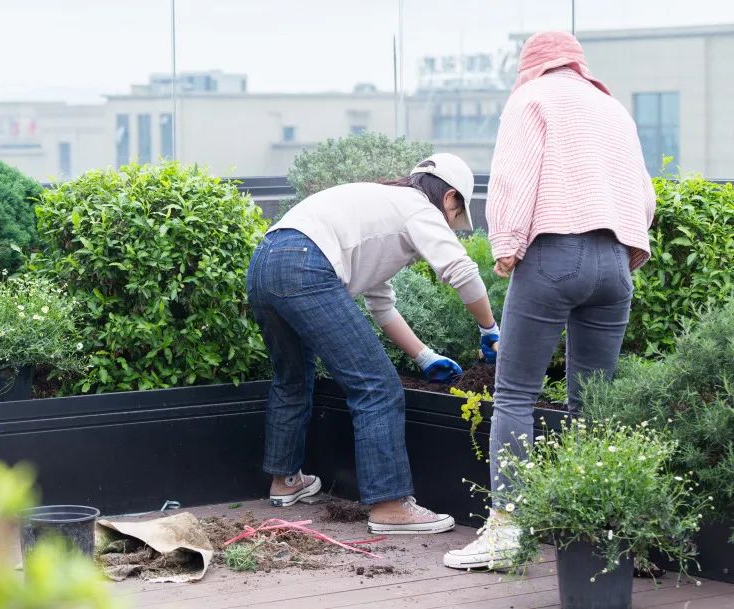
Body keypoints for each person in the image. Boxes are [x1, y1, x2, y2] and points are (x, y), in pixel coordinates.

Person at [443, 31, 656, 570]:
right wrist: (629, 247)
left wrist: (507, 245)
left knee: (515, 395)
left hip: (553, 254)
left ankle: (507, 532)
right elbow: (644, 192)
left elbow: (515, 178)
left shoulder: (531, 98)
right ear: (578, 64)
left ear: (531, 66)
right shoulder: (613, 109)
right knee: (594, 404)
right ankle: (601, 529)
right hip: (615, 261)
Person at [247, 153, 500, 534]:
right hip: (306, 265)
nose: (450, 225)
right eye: (455, 216)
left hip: (266, 263)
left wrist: (424, 355)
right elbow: (461, 270)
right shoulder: (418, 207)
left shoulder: (380, 207)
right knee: (378, 388)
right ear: (450, 198)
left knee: (293, 378)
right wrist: (489, 329)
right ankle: (390, 506)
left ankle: (285, 482)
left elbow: (381, 305)